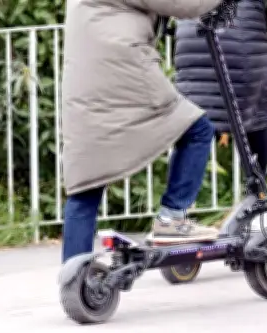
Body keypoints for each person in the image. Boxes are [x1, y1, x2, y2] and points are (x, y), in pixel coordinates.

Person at [60, 0, 223, 263]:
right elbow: (184, 4)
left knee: (87, 181)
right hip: (125, 72)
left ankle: (74, 277)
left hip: (83, 86)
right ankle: (172, 217)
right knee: (198, 129)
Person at [174, 0, 267, 175]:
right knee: (256, 118)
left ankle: (176, 201)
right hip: (242, 37)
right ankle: (258, 190)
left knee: (191, 125)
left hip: (193, 36)